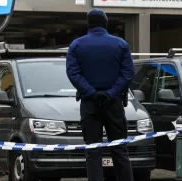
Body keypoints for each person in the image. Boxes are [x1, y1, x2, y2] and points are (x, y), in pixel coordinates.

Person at [66, 8, 135, 181]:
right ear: (105, 23)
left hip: (90, 104)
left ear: (89, 24)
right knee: (119, 149)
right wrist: (111, 93)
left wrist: (92, 93)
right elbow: (128, 73)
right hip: (114, 104)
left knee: (93, 152)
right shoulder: (120, 44)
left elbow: (73, 73)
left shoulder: (76, 45)